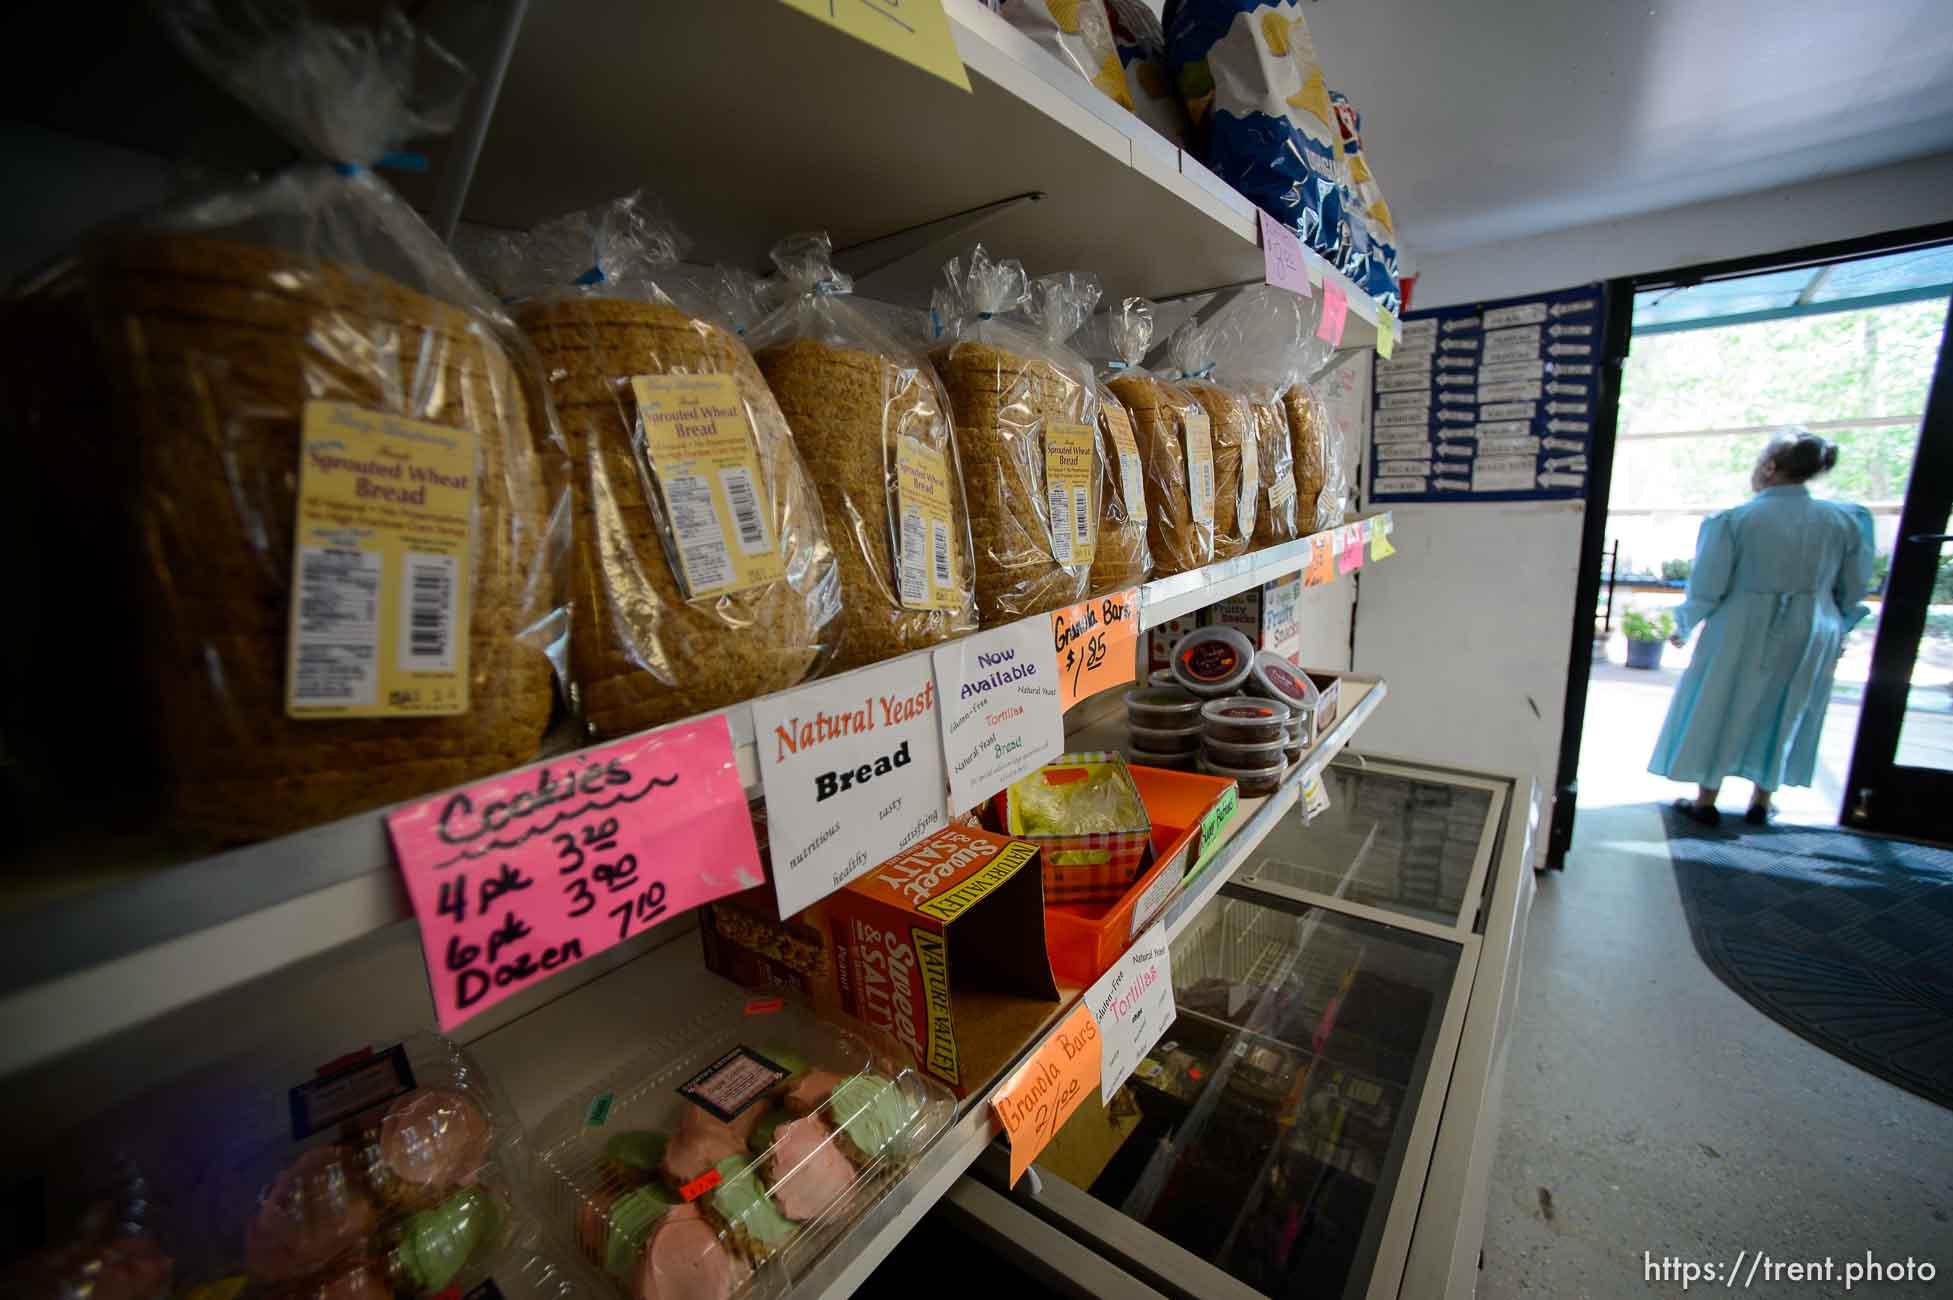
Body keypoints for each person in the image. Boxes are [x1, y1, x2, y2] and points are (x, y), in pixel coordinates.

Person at [1649, 430, 1875, 825]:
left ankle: (1706, 798)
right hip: (1813, 624)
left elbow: (1708, 586)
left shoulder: (1736, 520)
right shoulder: (1845, 521)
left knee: (1722, 699)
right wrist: (1839, 625)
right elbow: (1853, 588)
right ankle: (1762, 799)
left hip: (1741, 622)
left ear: (1770, 466)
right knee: (1788, 702)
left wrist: (1684, 624)